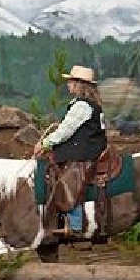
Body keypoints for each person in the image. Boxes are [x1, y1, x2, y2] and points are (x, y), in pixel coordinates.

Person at [33, 65, 108, 242]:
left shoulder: (82, 106)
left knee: (69, 177)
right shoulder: (85, 104)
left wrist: (45, 143)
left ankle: (76, 225)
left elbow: (66, 131)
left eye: (71, 81)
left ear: (79, 84)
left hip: (86, 150)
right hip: (88, 145)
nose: (68, 84)